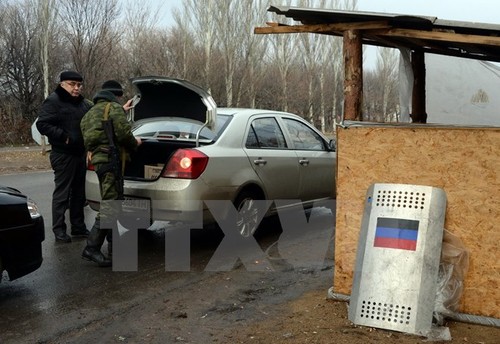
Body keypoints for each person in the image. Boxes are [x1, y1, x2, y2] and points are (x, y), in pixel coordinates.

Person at [80, 80, 142, 267]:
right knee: (112, 205)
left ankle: (115, 249)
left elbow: (99, 131)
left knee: (112, 201)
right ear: (116, 95)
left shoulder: (89, 113)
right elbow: (123, 134)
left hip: (98, 162)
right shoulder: (113, 108)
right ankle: (91, 247)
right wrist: (135, 143)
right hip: (111, 160)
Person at [36, 70, 92, 243]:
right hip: (63, 154)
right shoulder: (54, 100)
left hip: (79, 154)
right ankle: (59, 230)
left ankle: (78, 227)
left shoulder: (83, 103)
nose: (76, 88)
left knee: (79, 194)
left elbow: (97, 113)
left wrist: (120, 109)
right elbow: (42, 123)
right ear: (62, 84)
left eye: (79, 85)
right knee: (63, 194)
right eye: (72, 84)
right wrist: (64, 136)